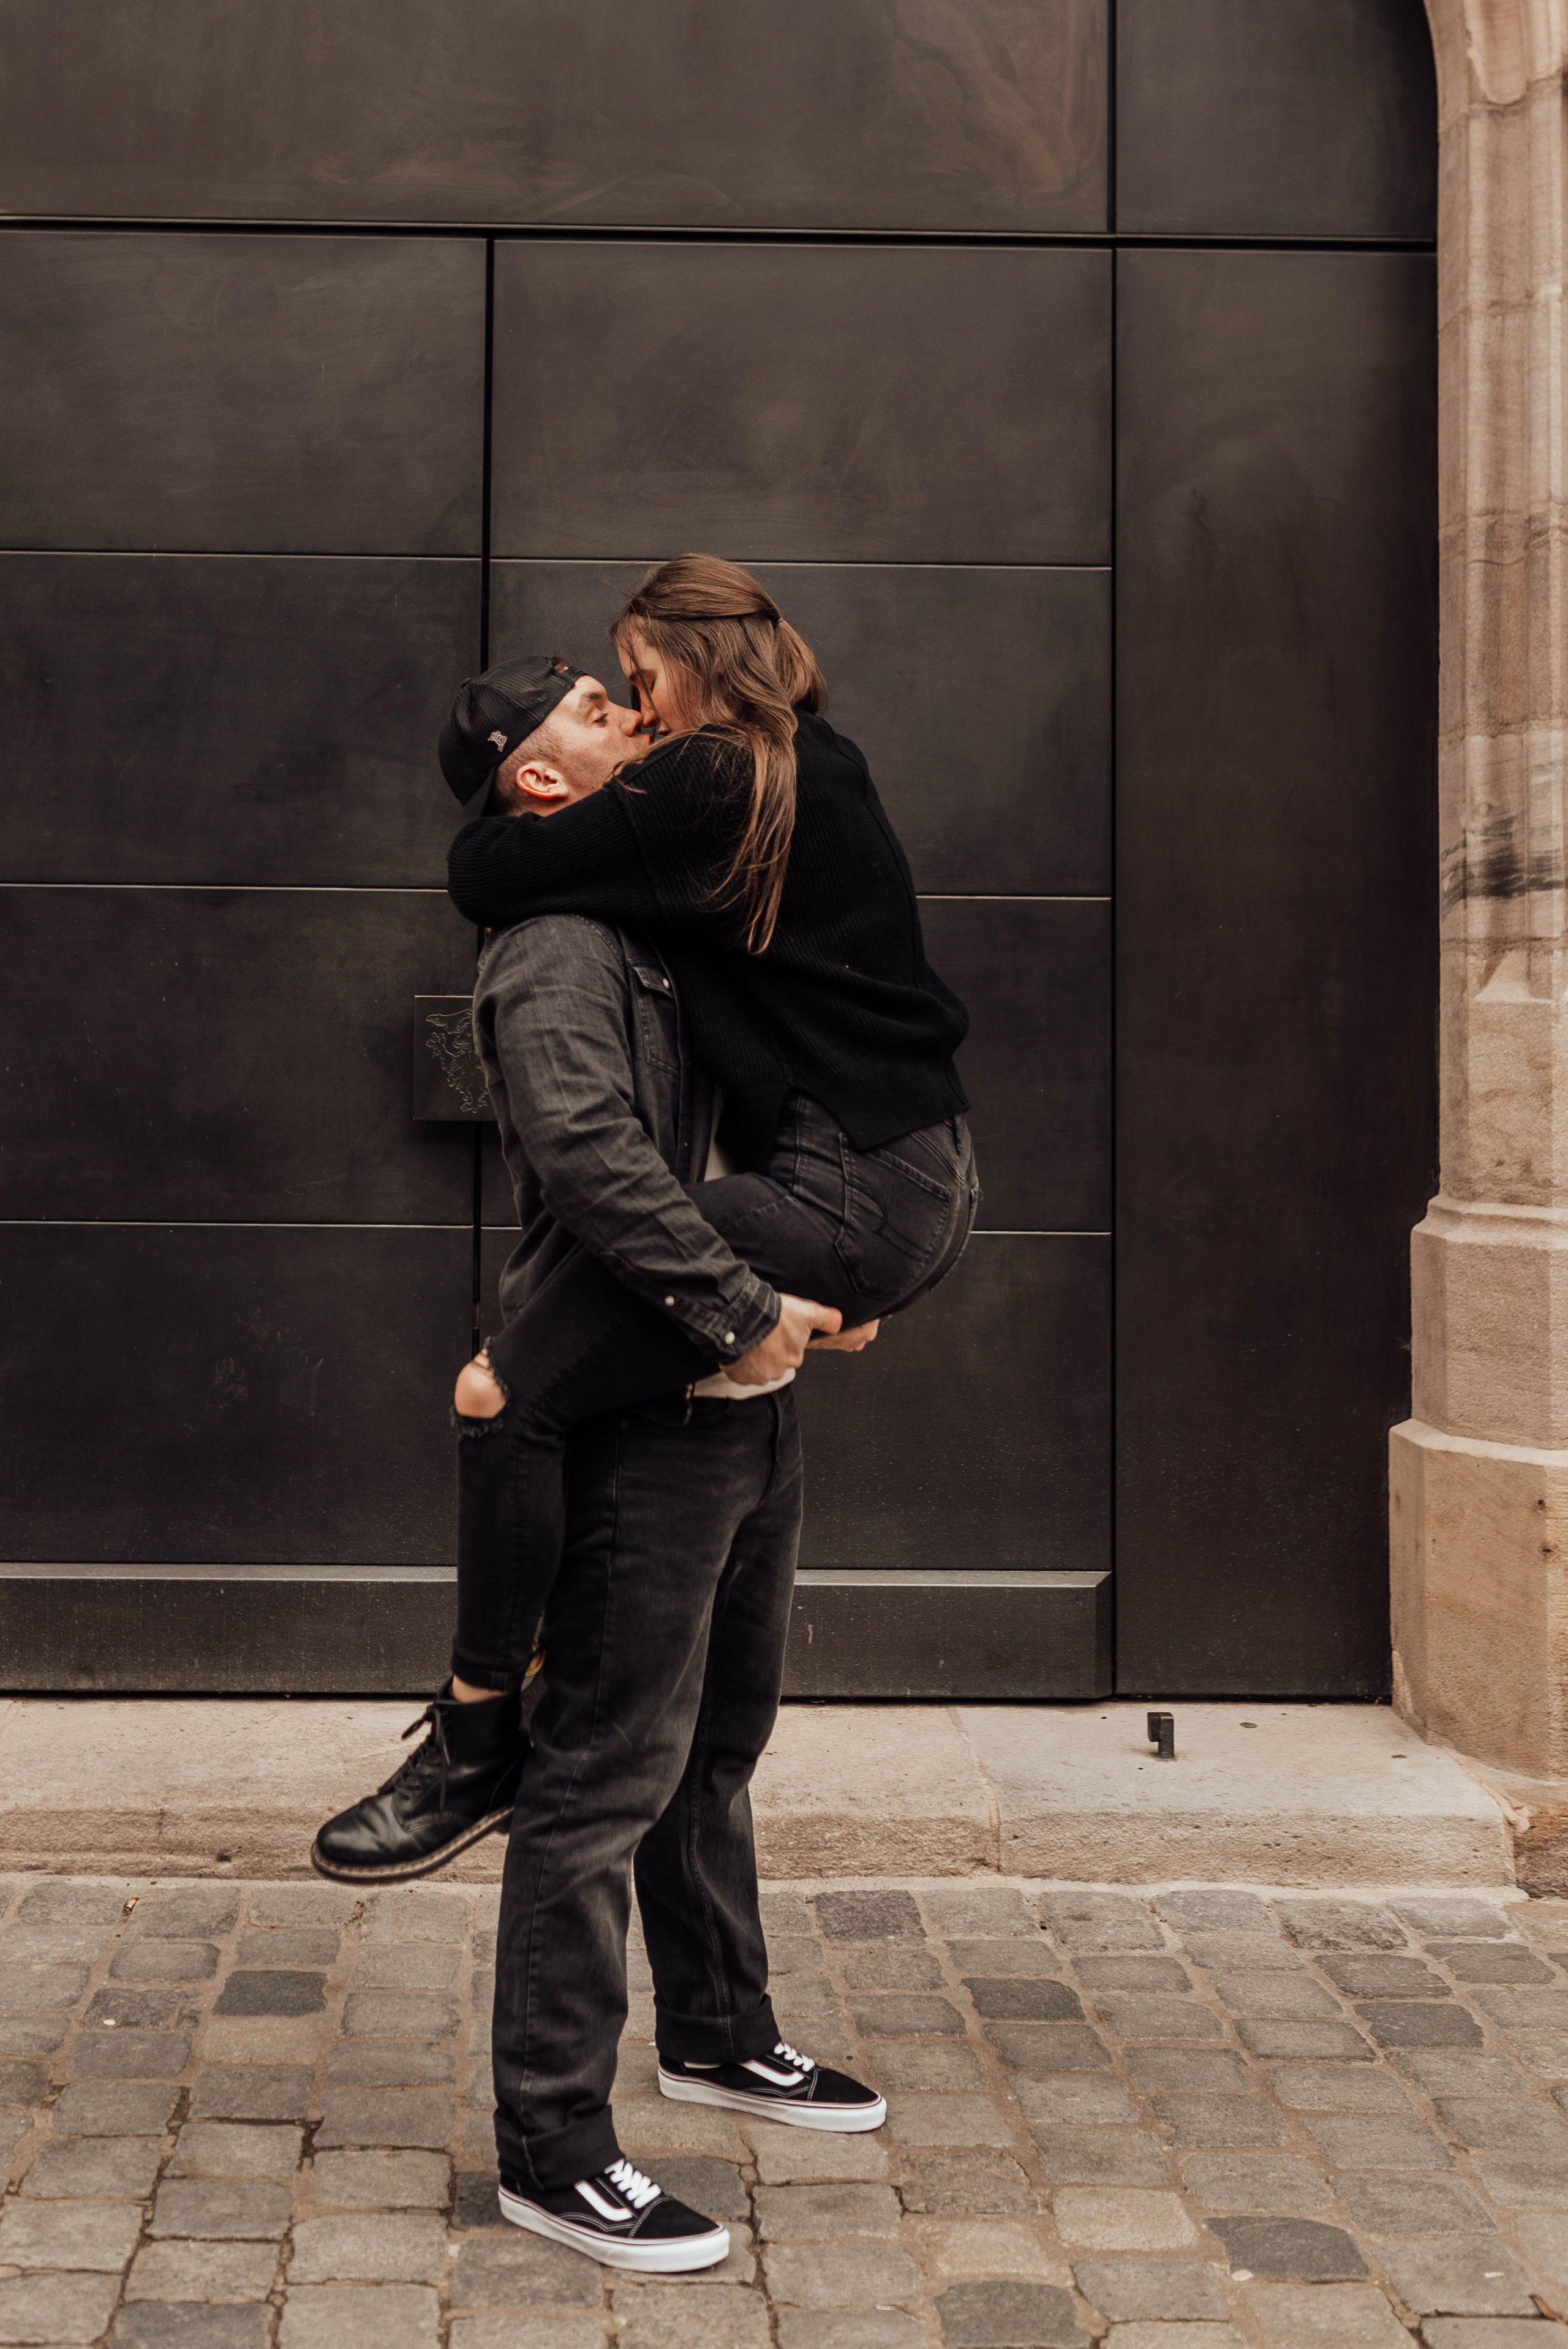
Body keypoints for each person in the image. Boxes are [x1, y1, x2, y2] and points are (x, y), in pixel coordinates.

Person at [320, 686, 888, 2269]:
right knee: (600, 1773)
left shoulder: (663, 904)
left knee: (719, 1738)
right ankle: (553, 2142)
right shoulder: (557, 946)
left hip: (746, 1390)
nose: (631, 710)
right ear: (539, 781)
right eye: (591, 705)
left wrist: (830, 1275)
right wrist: (740, 1306)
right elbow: (586, 1153)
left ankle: (716, 2029)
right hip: (650, 1400)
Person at [311, 557, 978, 1878]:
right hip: (899, 1183)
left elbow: (482, 868)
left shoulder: (713, 775)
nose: (635, 708)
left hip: (856, 1189)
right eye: (604, 698)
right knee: (698, 1756)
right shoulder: (792, 770)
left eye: (634, 679)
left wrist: (748, 1298)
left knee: (500, 1392)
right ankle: (498, 1742)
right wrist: (789, 1295)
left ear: (688, 663)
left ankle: (475, 1734)